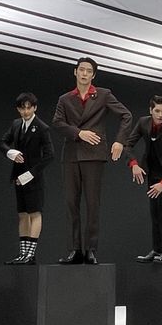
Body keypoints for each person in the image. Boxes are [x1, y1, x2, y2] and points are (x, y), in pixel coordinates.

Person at [52, 57, 132, 265]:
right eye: (82, 70)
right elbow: (57, 123)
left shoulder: (103, 94)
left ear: (93, 75)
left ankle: (91, 249)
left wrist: (119, 142)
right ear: (75, 72)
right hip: (71, 155)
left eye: (89, 71)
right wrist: (79, 133)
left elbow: (126, 116)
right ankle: (74, 249)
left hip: (94, 155)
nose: (85, 73)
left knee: (92, 203)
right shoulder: (65, 99)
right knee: (71, 203)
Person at [124, 95, 162, 263]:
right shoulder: (143, 122)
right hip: (150, 171)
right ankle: (157, 249)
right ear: (150, 110)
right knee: (154, 212)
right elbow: (128, 145)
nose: (160, 115)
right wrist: (134, 164)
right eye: (157, 111)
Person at [0, 92, 54, 265]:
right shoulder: (16, 124)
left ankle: (31, 253)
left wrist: (31, 173)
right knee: (22, 214)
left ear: (35, 108)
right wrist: (10, 152)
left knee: (35, 213)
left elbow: (50, 155)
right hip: (18, 176)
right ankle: (23, 253)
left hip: (33, 177)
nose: (25, 111)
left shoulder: (42, 127)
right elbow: (2, 142)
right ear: (18, 109)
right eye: (22, 108)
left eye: (29, 107)